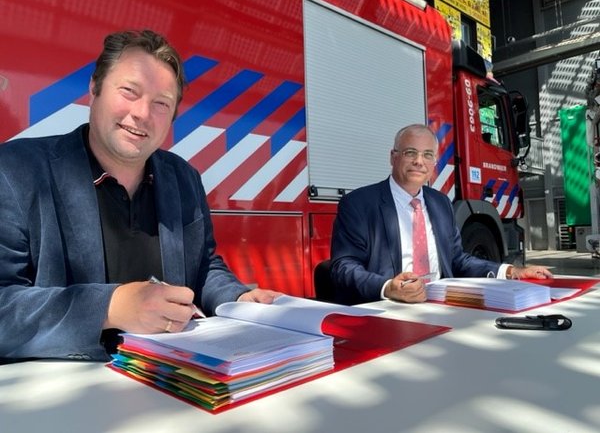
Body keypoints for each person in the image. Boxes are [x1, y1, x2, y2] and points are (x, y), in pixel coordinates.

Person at [0, 30, 280, 362]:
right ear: (94, 88)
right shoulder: (15, 171)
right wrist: (109, 307)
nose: (143, 113)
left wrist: (238, 298)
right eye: (129, 91)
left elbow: (203, 268)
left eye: (161, 103)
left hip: (171, 376)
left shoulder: (184, 179)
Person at [330, 124, 552, 305]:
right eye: (410, 152)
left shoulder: (441, 203)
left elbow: (457, 260)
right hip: (389, 308)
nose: (419, 161)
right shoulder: (359, 203)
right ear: (393, 157)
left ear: (434, 163)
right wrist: (388, 288)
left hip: (441, 305)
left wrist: (512, 271)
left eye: (427, 155)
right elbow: (344, 266)